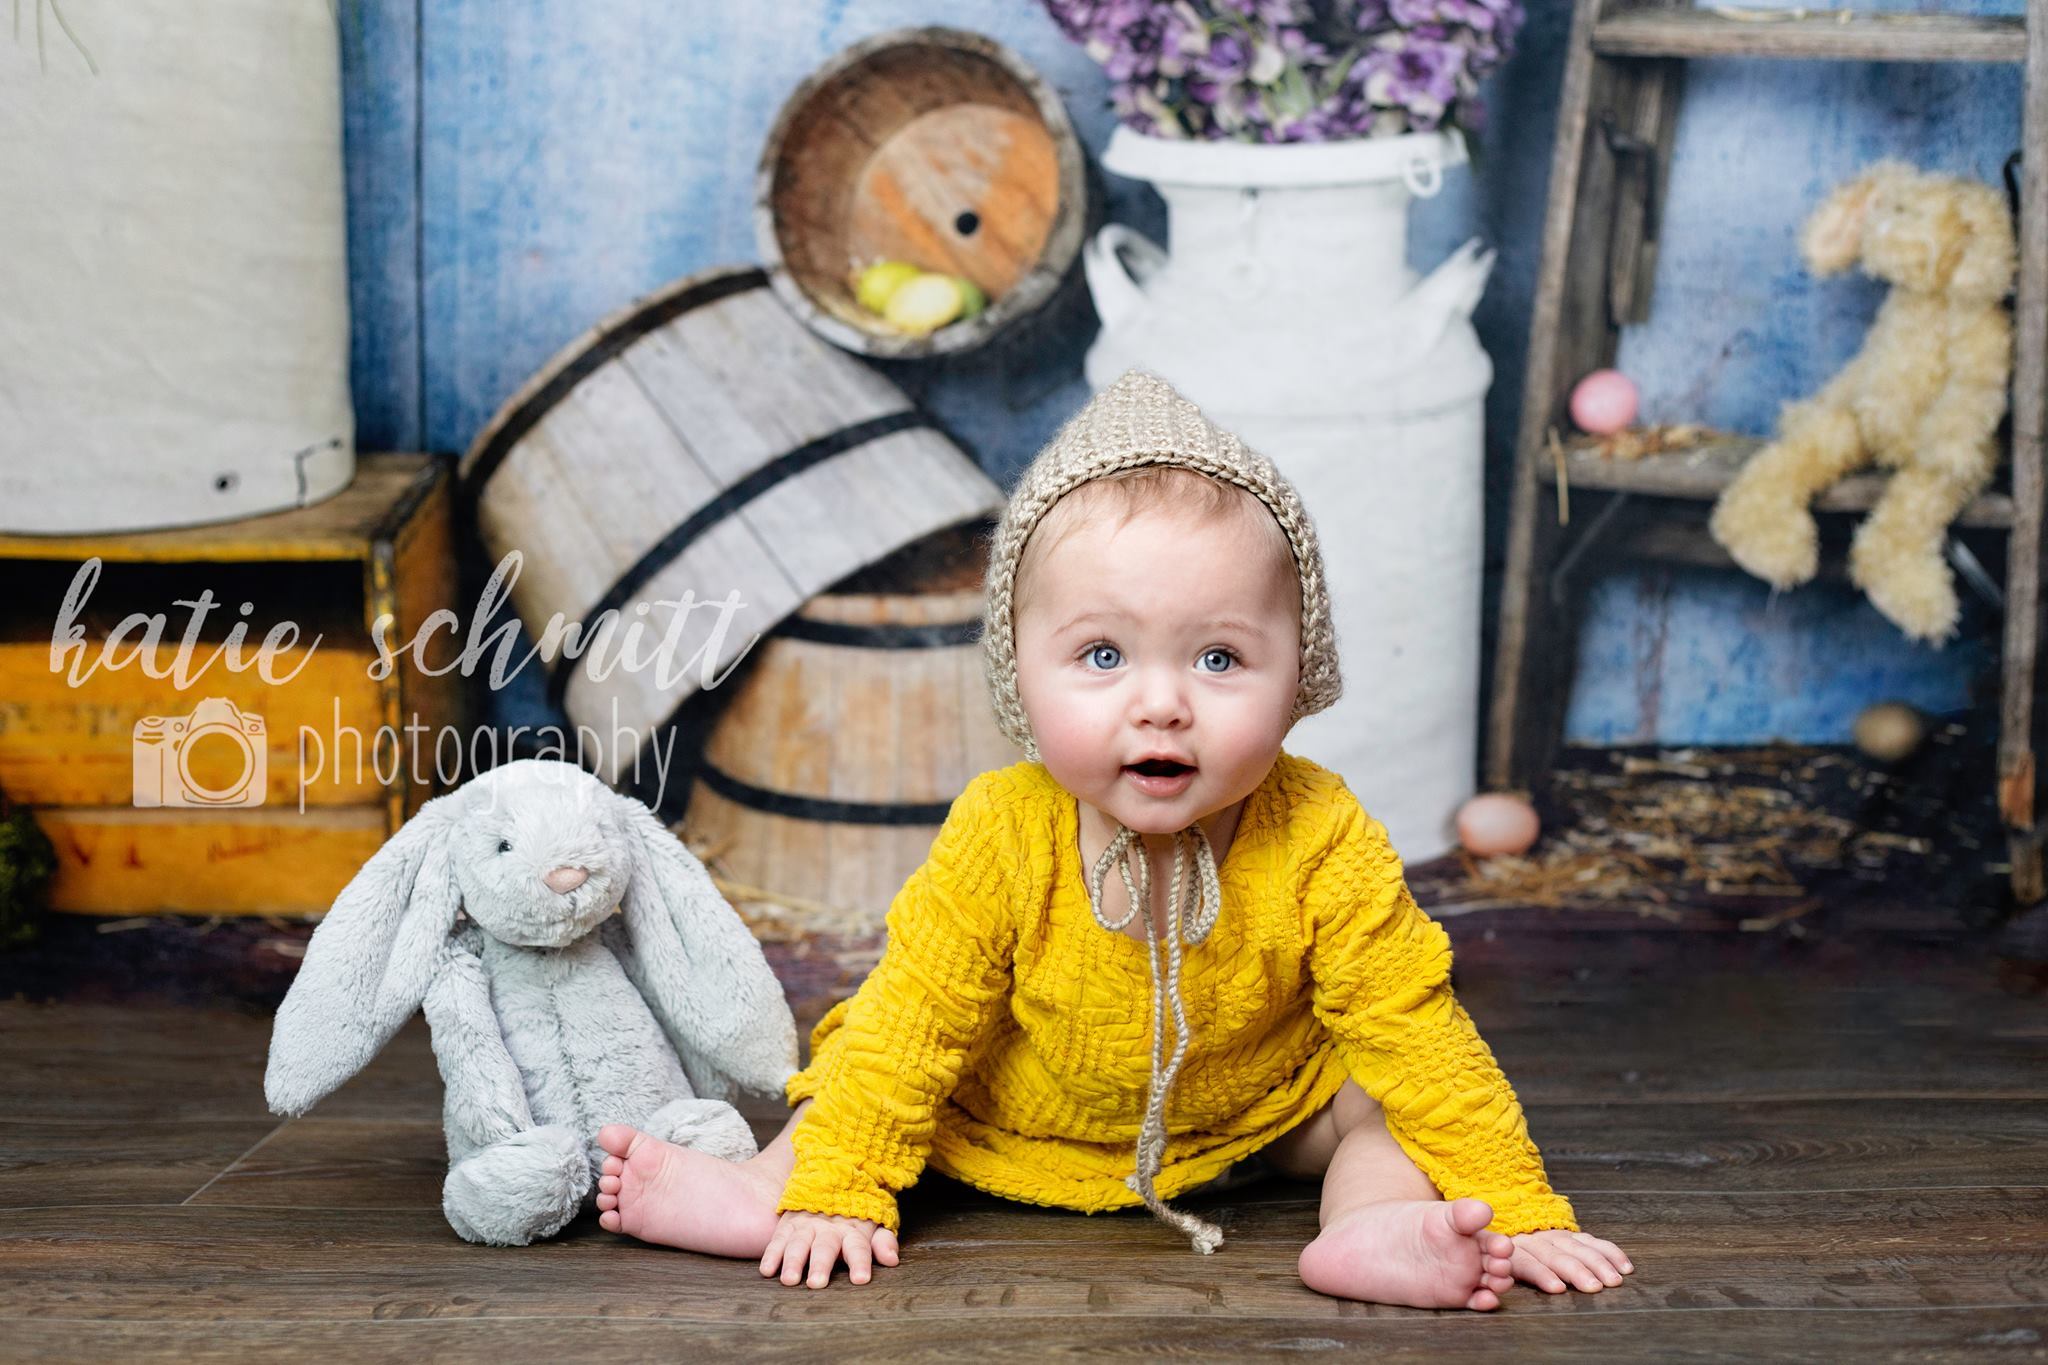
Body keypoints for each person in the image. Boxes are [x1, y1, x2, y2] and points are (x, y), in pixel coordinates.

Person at [594, 370, 1634, 1309]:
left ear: (1299, 676)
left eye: (1219, 658)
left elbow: (1415, 1028)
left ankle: (1368, 1225)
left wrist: (1519, 1202)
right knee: (874, 1047)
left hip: (1254, 1116)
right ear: (1018, 675)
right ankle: (768, 1189)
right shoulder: (1005, 829)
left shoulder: (1320, 831)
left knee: (1383, 1102)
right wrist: (840, 1187)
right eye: (1101, 654)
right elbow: (917, 1021)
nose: (1161, 703)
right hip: (1007, 1109)